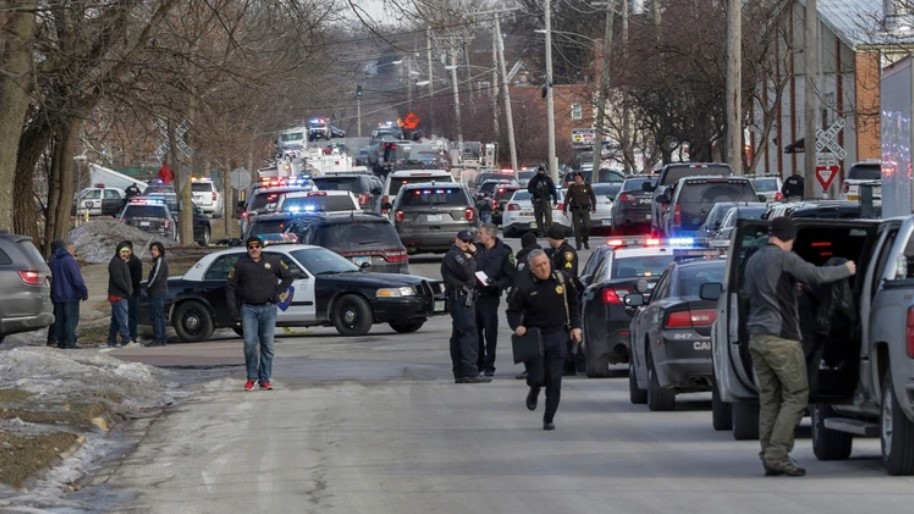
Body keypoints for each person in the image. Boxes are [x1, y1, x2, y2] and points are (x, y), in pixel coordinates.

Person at [744, 217, 856, 477]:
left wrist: (792, 290)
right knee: (796, 395)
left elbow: (761, 293)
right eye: (793, 238)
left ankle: (768, 454)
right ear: (787, 236)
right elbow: (816, 275)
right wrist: (846, 269)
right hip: (782, 338)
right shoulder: (785, 258)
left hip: (757, 337)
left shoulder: (753, 260)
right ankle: (777, 454)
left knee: (770, 398)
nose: (794, 243)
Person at [507, 249, 582, 430]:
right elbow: (513, 311)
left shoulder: (562, 280)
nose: (543, 269)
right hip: (535, 337)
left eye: (545, 263)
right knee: (538, 377)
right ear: (532, 269)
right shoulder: (525, 287)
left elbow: (574, 302)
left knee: (554, 380)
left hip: (558, 334)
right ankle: (534, 389)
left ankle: (549, 418)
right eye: (538, 266)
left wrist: (575, 326)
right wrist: (517, 325)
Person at [226, 236, 294, 391]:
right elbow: (230, 286)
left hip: (269, 309)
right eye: (251, 247)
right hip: (248, 309)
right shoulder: (240, 265)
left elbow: (288, 277)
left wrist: (278, 292)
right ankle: (251, 378)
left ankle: (265, 379)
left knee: (268, 345)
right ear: (247, 249)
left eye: (257, 246)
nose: (254, 249)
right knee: (249, 343)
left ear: (261, 248)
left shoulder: (273, 262)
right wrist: (233, 309)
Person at [440, 230, 491, 384]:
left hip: (463, 298)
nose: (466, 244)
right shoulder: (455, 255)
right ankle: (469, 372)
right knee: (469, 334)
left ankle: (461, 372)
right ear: (457, 240)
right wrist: (472, 258)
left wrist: (472, 257)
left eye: (469, 242)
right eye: (463, 240)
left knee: (459, 334)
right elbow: (468, 273)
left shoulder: (462, 255)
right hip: (460, 299)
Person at [474, 224, 515, 377]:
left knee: (490, 332)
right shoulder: (476, 249)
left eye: (481, 233)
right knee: (475, 331)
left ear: (490, 235)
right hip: (475, 295)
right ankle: (478, 362)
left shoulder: (504, 252)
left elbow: (510, 276)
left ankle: (489, 364)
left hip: (490, 297)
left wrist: (497, 285)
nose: (479, 235)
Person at [512, 231, 542, 380]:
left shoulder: (525, 260)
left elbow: (519, 282)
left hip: (528, 302)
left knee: (526, 334)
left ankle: (530, 368)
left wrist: (513, 300)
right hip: (543, 300)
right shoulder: (543, 256)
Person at [49, 242, 88, 349]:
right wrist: (84, 292)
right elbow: (77, 279)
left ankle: (61, 342)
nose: (75, 253)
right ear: (70, 250)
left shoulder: (53, 261)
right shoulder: (70, 261)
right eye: (74, 251)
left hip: (57, 296)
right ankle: (70, 342)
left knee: (60, 321)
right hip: (70, 296)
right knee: (71, 320)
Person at [107, 242, 136, 348]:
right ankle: (126, 339)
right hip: (118, 295)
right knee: (123, 319)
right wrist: (128, 290)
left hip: (119, 295)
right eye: (123, 252)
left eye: (127, 252)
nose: (125, 254)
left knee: (116, 319)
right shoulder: (116, 263)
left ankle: (112, 339)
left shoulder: (121, 262)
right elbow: (118, 279)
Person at [118, 240, 143, 343]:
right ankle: (125, 336)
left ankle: (132, 336)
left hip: (133, 293)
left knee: (132, 316)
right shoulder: (122, 261)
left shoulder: (135, 262)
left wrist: (127, 286)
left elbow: (137, 279)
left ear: (131, 250)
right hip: (123, 294)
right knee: (123, 316)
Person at [564, 172, 596, 250]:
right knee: (577, 228)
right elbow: (567, 198)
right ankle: (578, 245)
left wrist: (594, 207)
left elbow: (592, 197)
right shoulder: (572, 187)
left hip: (585, 209)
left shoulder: (587, 186)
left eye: (578, 177)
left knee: (587, 226)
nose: (577, 179)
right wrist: (564, 208)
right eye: (575, 178)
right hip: (575, 209)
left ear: (582, 178)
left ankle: (585, 240)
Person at [146, 241, 169, 347]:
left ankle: (158, 338)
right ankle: (162, 338)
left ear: (160, 250)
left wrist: (149, 286)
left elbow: (156, 276)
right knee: (159, 315)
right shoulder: (156, 261)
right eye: (151, 249)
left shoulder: (160, 260)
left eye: (155, 249)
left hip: (158, 291)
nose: (152, 252)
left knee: (157, 315)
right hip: (158, 291)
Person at [45, 238, 67, 347]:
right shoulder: (55, 259)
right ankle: (53, 338)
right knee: (58, 316)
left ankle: (53, 338)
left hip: (55, 291)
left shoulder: (52, 258)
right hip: (57, 291)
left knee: (57, 315)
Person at [527, 165, 557, 236]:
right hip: (537, 200)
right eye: (540, 170)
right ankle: (540, 231)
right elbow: (529, 189)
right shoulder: (534, 179)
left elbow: (553, 190)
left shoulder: (548, 179)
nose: (541, 172)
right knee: (538, 216)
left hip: (546, 199)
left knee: (548, 215)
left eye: (542, 170)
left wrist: (555, 200)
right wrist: (536, 191)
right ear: (538, 171)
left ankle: (548, 230)